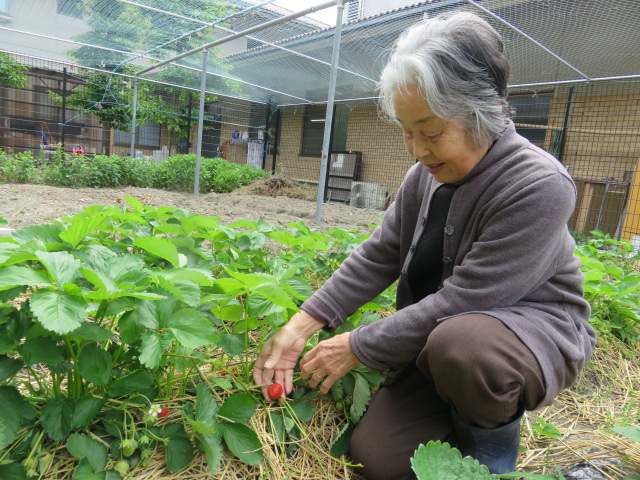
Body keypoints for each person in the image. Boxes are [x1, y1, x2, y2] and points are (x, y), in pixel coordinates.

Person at [253, 10, 596, 479]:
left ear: (481, 113)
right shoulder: (425, 174)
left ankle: (492, 449)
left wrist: (357, 345)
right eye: (407, 131)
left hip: (520, 338)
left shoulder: (538, 184)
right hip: (433, 345)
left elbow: (469, 300)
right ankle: (455, 411)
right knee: (378, 460)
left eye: (431, 132)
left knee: (465, 345)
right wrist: (301, 325)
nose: (416, 149)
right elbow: (380, 254)